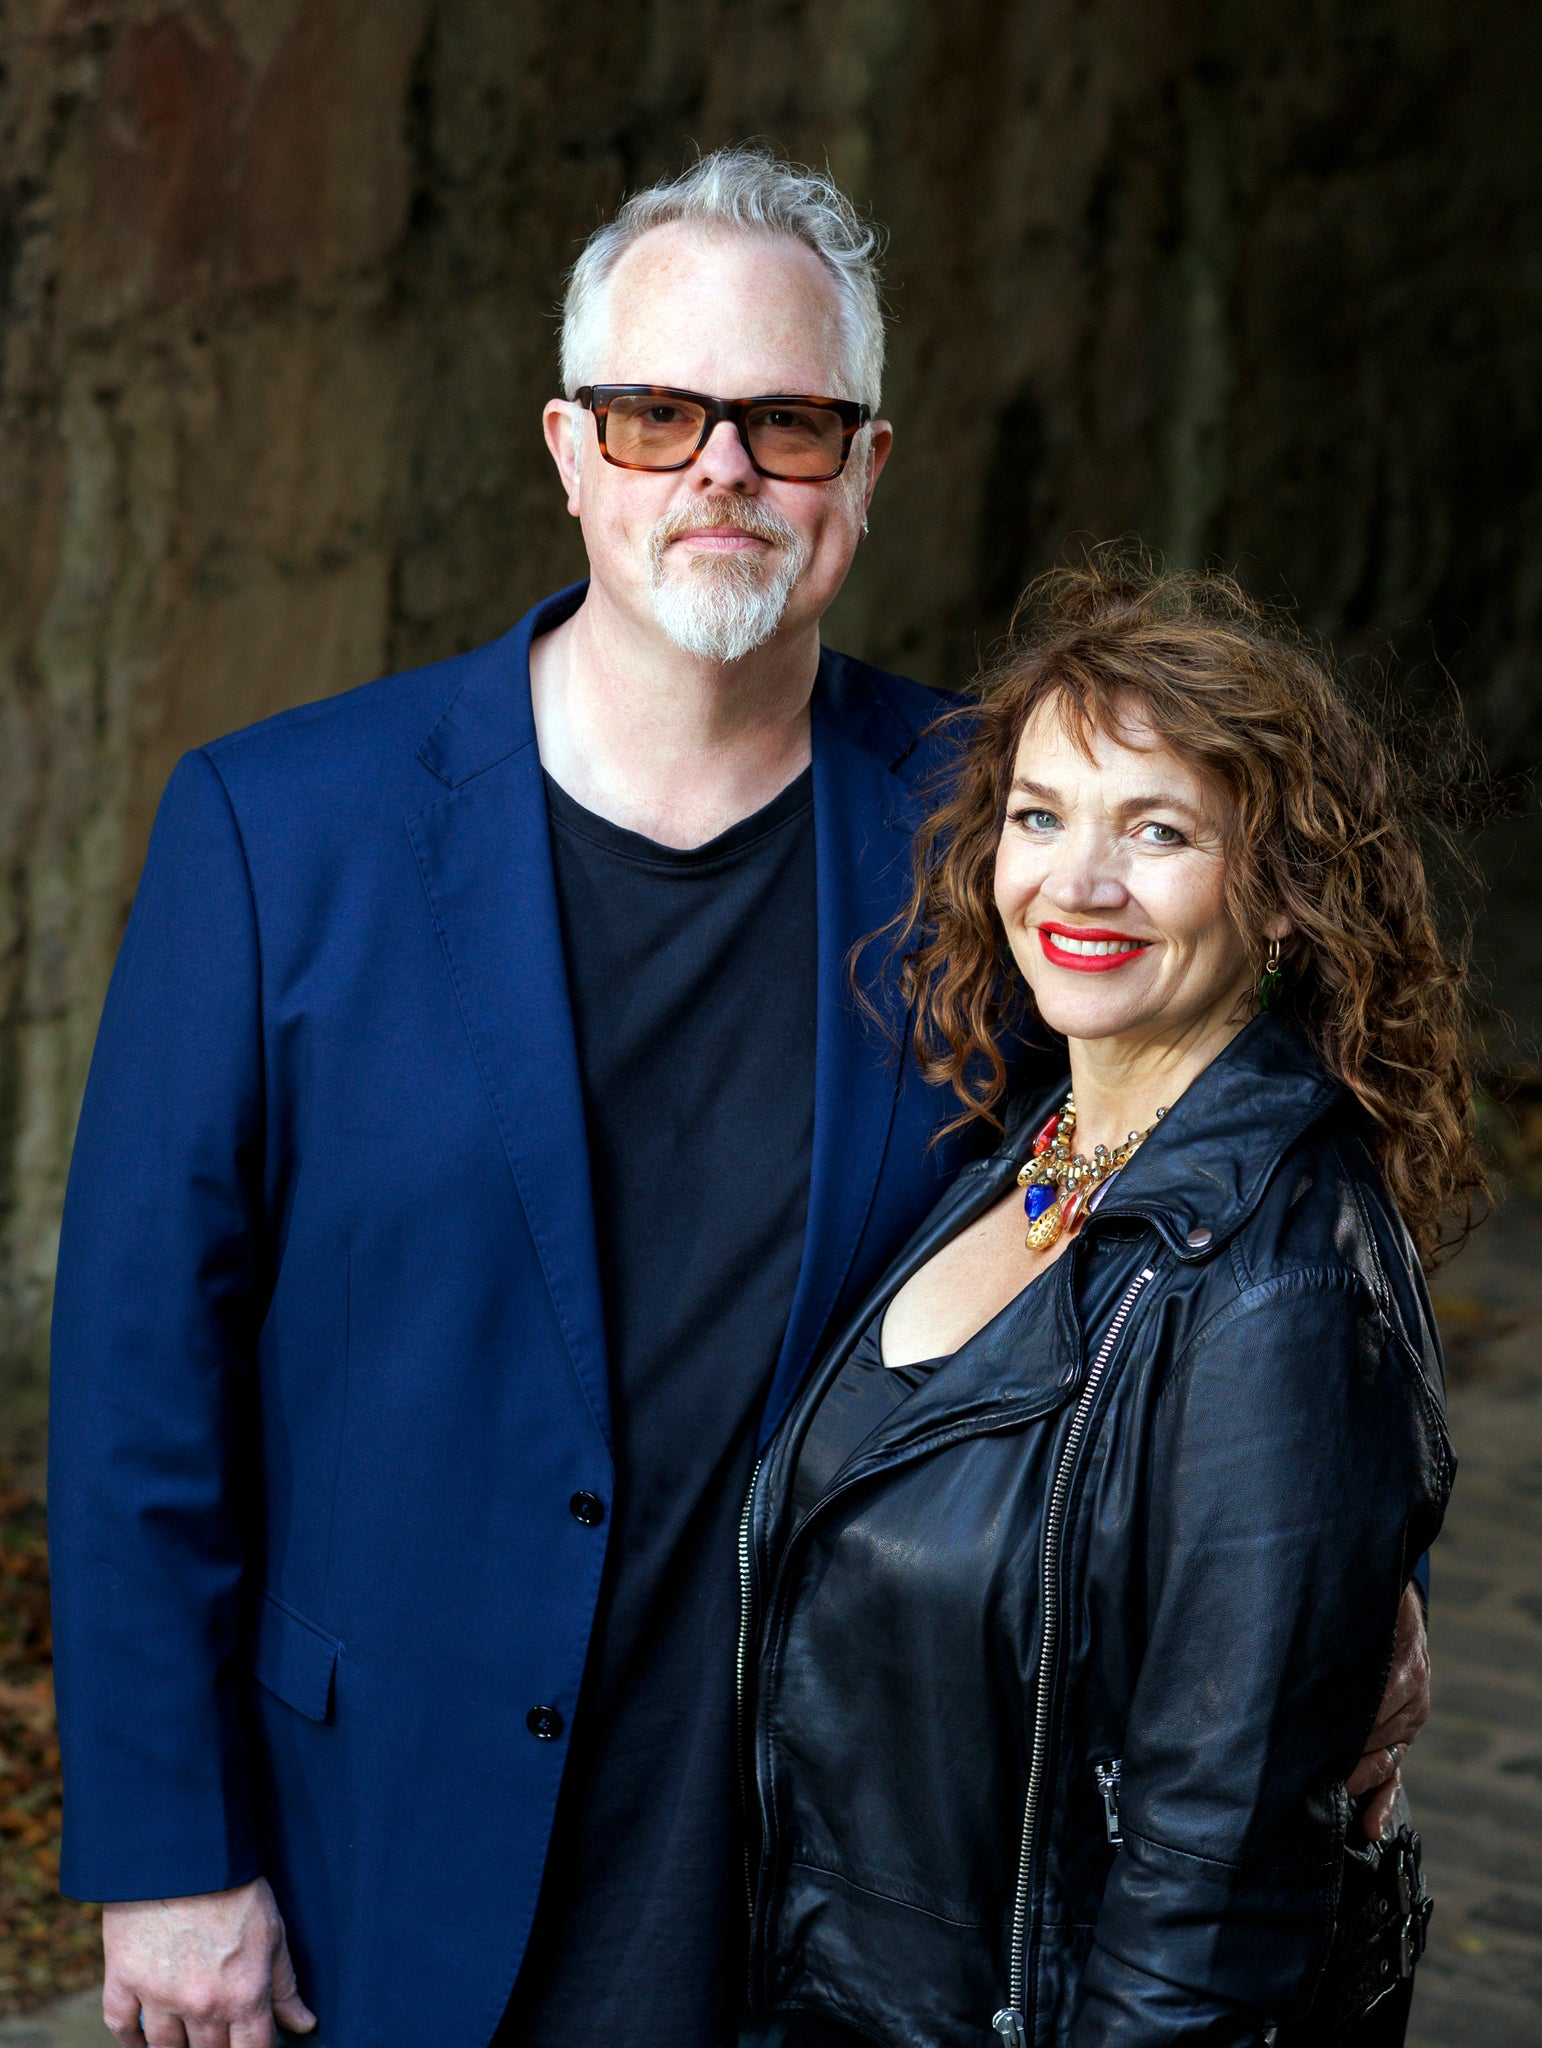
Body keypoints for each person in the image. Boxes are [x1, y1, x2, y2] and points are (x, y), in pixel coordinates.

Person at [45, 146, 1427, 2048]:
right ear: (565, 448)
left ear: (860, 472)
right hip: (375, 1843)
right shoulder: (277, 829)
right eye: (655, 412)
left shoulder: (992, 837)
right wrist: (170, 1852)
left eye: (783, 422)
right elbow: (139, 1382)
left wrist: (1347, 1572)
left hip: (817, 1881)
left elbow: (1191, 1183)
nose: (718, 469)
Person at [742, 559, 1479, 2047]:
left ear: (1277, 892)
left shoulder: (1273, 1282)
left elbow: (1211, 1888)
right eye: (1039, 815)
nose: (1075, 883)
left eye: (1156, 831)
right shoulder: (1034, 1148)